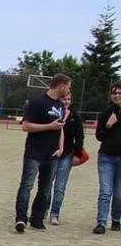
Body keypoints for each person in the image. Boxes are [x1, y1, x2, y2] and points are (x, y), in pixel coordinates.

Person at [14, 73, 71, 233]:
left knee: (45, 188)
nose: (69, 90)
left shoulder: (61, 106)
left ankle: (37, 218)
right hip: (34, 152)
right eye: (68, 87)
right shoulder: (37, 102)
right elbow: (26, 126)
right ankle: (21, 218)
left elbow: (60, 128)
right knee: (27, 185)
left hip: (51, 154)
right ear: (61, 86)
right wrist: (48, 127)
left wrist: (60, 147)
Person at [49, 92, 84, 225]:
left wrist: (77, 154)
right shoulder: (52, 113)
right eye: (64, 99)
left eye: (69, 99)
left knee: (60, 186)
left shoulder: (75, 116)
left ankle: (55, 213)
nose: (66, 101)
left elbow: (79, 136)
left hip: (67, 154)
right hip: (52, 153)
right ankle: (43, 209)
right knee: (47, 184)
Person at [93, 82, 121, 234]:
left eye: (119, 93)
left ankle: (116, 219)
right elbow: (99, 136)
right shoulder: (106, 113)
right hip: (106, 157)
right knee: (105, 191)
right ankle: (101, 222)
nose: (117, 95)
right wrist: (108, 126)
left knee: (118, 193)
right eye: (114, 93)